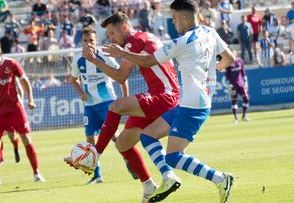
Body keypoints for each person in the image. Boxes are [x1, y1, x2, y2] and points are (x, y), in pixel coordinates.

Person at [101, 0, 235, 202]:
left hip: (193, 108)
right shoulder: (209, 32)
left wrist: (121, 53)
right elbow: (229, 58)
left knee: (174, 156)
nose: (173, 23)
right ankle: (168, 177)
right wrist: (210, 72)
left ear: (183, 18)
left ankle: (220, 178)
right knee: (147, 136)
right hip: (188, 103)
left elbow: (146, 61)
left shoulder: (182, 42)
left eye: (173, 18)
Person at [81, 12, 179, 202]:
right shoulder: (146, 36)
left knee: (116, 106)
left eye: (112, 33)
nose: (111, 38)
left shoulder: (133, 41)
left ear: (124, 27)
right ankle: (149, 186)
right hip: (167, 95)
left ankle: (94, 156)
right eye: (109, 35)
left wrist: (94, 61)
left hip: (164, 96)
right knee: (123, 143)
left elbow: (120, 77)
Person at [67, 26, 130, 184]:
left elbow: (123, 77)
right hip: (89, 105)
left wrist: (126, 99)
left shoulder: (104, 55)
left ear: (97, 42)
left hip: (107, 102)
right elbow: (73, 79)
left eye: (91, 41)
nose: (88, 44)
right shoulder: (77, 59)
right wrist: (81, 92)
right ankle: (97, 175)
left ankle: (130, 161)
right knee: (90, 138)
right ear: (81, 41)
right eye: (85, 41)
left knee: (114, 135)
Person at [0, 38, 45, 186]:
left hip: (16, 110)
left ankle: (37, 173)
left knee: (27, 140)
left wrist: (31, 99)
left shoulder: (11, 63)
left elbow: (24, 80)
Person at [225, 57, 250, 122]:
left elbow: (242, 71)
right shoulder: (228, 62)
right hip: (233, 85)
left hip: (241, 84)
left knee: (246, 99)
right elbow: (227, 75)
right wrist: (228, 83)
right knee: (234, 101)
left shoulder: (240, 61)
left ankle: (244, 116)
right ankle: (236, 118)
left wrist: (245, 81)